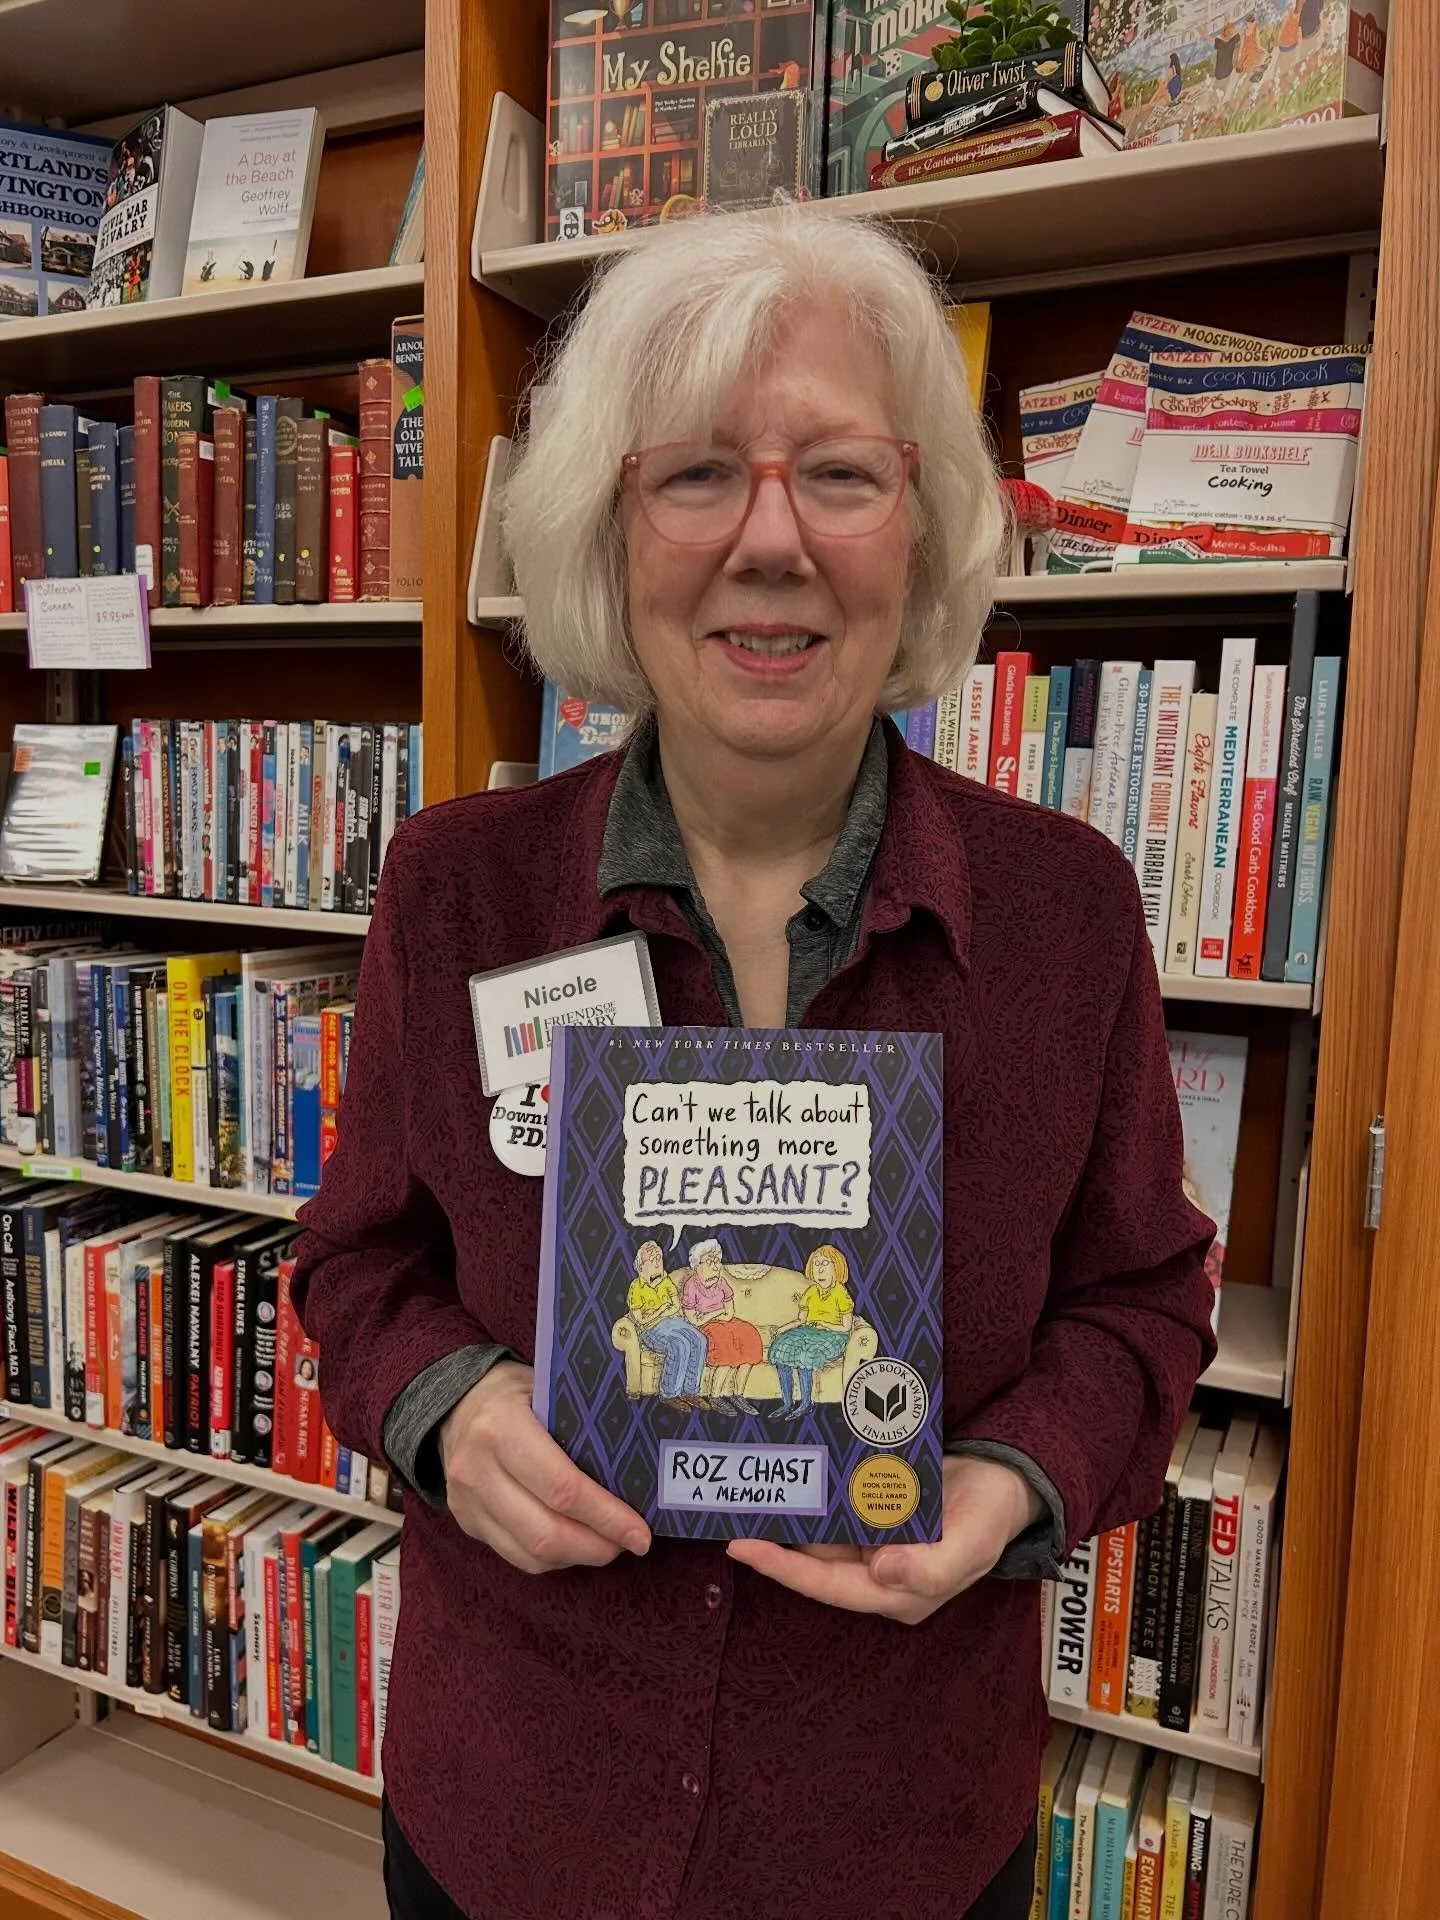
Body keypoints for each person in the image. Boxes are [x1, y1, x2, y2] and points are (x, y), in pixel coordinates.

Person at [292, 202, 1216, 1920]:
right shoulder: (458, 886)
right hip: (513, 1815)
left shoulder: (1066, 915)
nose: (771, 543)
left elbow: (1146, 1304)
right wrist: (448, 1407)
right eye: (699, 475)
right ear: (607, 531)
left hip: (897, 1833)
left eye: (842, 477)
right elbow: (360, 1264)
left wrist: (1009, 1486)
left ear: (926, 537)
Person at [767, 1243, 854, 1418]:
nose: (820, 1268)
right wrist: (782, 1329)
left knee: (806, 1355)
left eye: (825, 1264)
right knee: (781, 1347)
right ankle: (787, 1402)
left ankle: (806, 1403)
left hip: (833, 1335)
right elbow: (801, 1320)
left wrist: (824, 1325)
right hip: (809, 1330)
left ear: (836, 1268)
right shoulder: (811, 1292)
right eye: (816, 1263)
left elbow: (846, 1326)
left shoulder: (841, 1293)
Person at [678, 1237, 764, 1412]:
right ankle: (716, 1396)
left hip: (722, 1321)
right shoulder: (690, 1287)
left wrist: (711, 1314)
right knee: (724, 1343)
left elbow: (729, 1313)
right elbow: (695, 1320)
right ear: (696, 1266)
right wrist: (717, 1314)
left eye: (717, 1261)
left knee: (749, 1334)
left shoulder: (722, 1283)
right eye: (710, 1262)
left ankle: (738, 1395)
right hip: (703, 1328)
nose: (716, 1266)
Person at [627, 1237, 709, 1406]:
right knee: (679, 1345)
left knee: (699, 1340)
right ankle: (669, 1393)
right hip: (651, 1330)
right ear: (642, 1266)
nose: (658, 1262)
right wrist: (661, 1310)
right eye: (653, 1259)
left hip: (673, 1321)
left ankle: (690, 1391)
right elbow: (641, 1319)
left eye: (659, 1257)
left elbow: (675, 1306)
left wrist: (661, 1311)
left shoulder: (666, 1281)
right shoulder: (636, 1287)